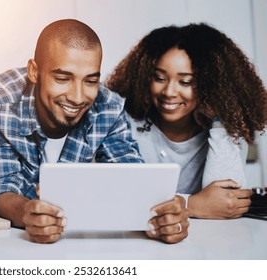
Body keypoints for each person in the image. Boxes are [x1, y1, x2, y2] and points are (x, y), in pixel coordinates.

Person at [0, 19, 189, 244]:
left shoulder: (109, 107)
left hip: (45, 222)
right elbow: (0, 185)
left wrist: (160, 217)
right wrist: (28, 214)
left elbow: (131, 178)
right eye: (63, 78)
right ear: (34, 71)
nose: (78, 97)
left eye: (91, 81)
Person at [106, 23, 267, 220]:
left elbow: (225, 203)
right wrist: (191, 205)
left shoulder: (227, 128)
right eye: (160, 78)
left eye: (186, 82)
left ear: (211, 86)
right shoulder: (123, 124)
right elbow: (118, 197)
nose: (169, 92)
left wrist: (219, 122)